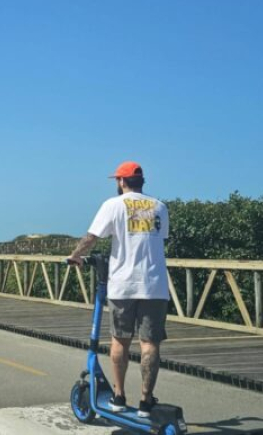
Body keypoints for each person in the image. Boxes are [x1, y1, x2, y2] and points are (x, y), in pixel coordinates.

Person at [67, 161, 170, 418]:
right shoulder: (160, 207)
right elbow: (159, 239)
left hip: (123, 285)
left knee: (120, 340)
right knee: (150, 345)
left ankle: (119, 396)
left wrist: (75, 256)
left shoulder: (113, 205)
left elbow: (92, 236)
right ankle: (146, 401)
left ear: (121, 181)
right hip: (155, 286)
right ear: (141, 182)